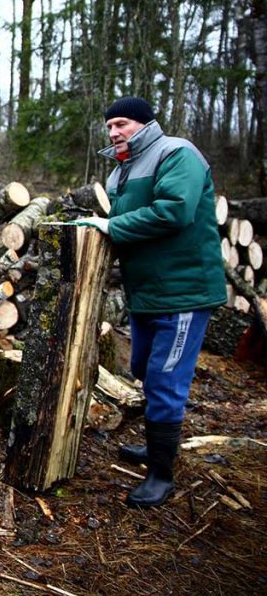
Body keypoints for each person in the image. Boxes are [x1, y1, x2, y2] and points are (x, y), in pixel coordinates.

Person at [74, 96, 226, 508]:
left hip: (184, 291)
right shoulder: (120, 171)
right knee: (141, 367)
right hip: (148, 291)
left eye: (121, 123)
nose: (113, 132)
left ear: (144, 123)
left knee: (164, 378)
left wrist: (111, 225)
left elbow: (174, 212)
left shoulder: (177, 154)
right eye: (108, 126)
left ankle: (161, 473)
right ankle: (156, 445)